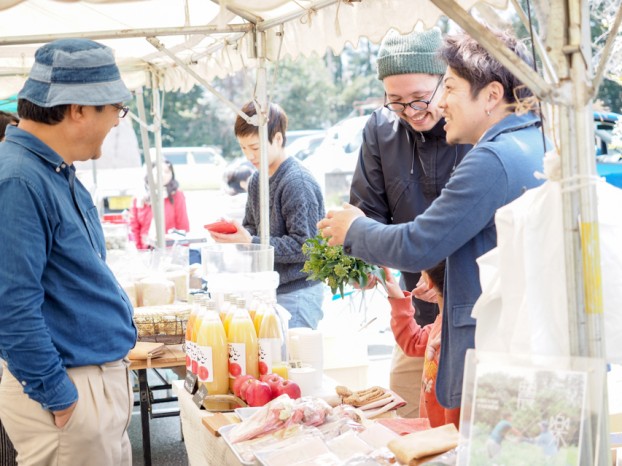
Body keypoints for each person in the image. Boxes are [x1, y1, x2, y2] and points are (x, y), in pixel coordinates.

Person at [318, 28, 546, 410]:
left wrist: (353, 231)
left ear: (491, 95)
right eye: (396, 102)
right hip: (488, 325)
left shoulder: (490, 158)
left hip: (485, 340)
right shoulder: (531, 140)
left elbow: (421, 242)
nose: (440, 106)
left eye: (450, 89)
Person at [0, 38, 136, 465]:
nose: (117, 120)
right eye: (115, 108)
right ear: (78, 108)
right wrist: (60, 396)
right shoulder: (19, 179)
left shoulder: (49, 170)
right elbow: (11, 305)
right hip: (70, 392)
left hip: (88, 387)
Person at [349, 27, 471, 418]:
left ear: (446, 83)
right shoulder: (379, 129)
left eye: (421, 99)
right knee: (402, 416)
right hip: (416, 314)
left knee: (463, 427)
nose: (412, 112)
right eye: (397, 102)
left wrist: (443, 274)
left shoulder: (474, 128)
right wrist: (362, 260)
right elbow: (366, 211)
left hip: (475, 315)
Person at [209, 101, 326, 329]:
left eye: (255, 147)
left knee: (292, 359)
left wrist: (250, 241)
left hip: (299, 293)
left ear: (279, 139)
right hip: (267, 290)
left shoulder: (297, 182)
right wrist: (236, 234)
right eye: (243, 148)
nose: (249, 156)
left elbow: (306, 246)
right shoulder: (256, 179)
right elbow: (251, 227)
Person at [384, 260, 460, 428]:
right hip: (437, 435)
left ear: (428, 280)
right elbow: (414, 342)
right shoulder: (443, 326)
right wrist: (397, 295)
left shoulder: (447, 331)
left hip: (442, 441)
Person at [129, 158, 190, 250]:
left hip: (170, 248)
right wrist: (140, 249)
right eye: (159, 171)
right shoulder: (139, 197)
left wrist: (182, 250)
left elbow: (182, 225)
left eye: (167, 172)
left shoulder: (176, 195)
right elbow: (134, 226)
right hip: (145, 247)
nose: (163, 175)